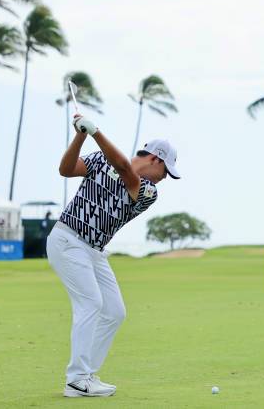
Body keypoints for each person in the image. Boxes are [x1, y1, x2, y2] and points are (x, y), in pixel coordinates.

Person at [46, 114, 180, 398]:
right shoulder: (99, 158)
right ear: (156, 158)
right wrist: (80, 135)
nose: (165, 178)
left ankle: (87, 375)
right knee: (91, 303)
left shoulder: (148, 191)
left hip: (94, 251)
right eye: (166, 171)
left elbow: (124, 169)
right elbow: (66, 169)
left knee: (115, 312)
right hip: (68, 238)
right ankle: (77, 379)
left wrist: (95, 131)